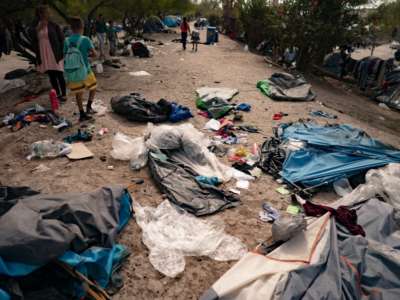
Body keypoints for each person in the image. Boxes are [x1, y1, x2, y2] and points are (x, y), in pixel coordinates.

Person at [30, 5, 66, 102]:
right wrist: (38, 28)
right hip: (43, 53)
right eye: (46, 12)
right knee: (51, 75)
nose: (48, 14)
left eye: (48, 12)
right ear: (40, 14)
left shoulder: (53, 25)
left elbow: (62, 39)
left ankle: (64, 94)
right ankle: (57, 94)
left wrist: (62, 51)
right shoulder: (35, 26)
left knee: (59, 73)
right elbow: (32, 37)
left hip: (55, 53)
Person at [64, 17, 97, 122]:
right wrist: (88, 55)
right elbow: (95, 54)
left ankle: (82, 114)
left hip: (72, 71)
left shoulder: (66, 40)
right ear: (82, 27)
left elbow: (64, 54)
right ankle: (89, 107)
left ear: (71, 28)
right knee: (93, 87)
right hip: (85, 70)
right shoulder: (85, 39)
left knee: (78, 93)